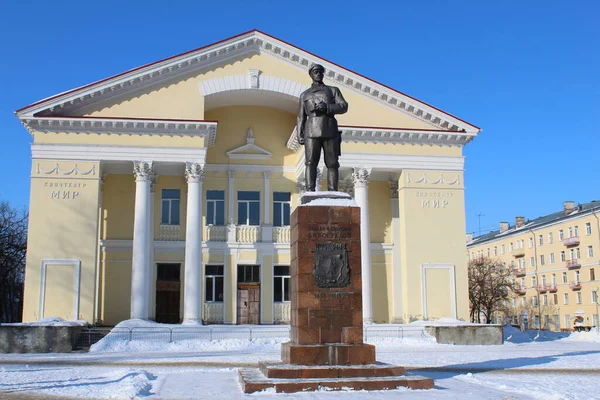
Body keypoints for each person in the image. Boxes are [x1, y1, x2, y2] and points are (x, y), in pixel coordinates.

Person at [297, 64, 348, 191]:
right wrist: (299, 134)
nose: (318, 74)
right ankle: (310, 191)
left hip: (329, 129)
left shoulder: (333, 90)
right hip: (311, 130)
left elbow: (344, 106)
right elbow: (300, 116)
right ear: (311, 75)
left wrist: (327, 108)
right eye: (315, 72)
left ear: (323, 74)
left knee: (332, 163)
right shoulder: (305, 95)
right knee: (310, 162)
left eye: (320, 72)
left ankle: (333, 191)